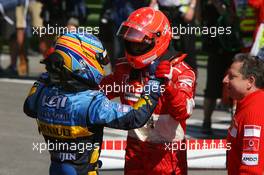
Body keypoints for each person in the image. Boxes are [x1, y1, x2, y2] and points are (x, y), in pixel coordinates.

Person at [23, 32, 169, 175]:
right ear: (81, 60)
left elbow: (29, 107)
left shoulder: (41, 92)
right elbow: (135, 117)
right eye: (99, 60)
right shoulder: (89, 103)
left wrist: (51, 73)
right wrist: (156, 83)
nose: (101, 66)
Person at [101, 7, 196, 174]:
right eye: (130, 42)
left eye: (139, 44)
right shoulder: (124, 69)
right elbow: (97, 92)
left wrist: (168, 87)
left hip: (168, 156)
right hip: (135, 155)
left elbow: (183, 112)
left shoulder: (181, 72)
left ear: (158, 39)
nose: (133, 47)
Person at [201, 0, 241, 134]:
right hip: (215, 49)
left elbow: (231, 20)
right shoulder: (207, 5)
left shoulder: (232, 4)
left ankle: (234, 124)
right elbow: (199, 19)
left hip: (233, 49)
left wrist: (223, 9)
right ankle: (206, 122)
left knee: (236, 87)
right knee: (211, 89)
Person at [224, 53, 264, 175]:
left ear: (250, 81)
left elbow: (251, 170)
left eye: (231, 76)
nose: (225, 80)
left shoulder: (253, 113)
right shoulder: (247, 104)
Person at [149, 0, 197, 71]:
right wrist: (152, 3)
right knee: (163, 47)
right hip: (163, 10)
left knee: (187, 50)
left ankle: (189, 76)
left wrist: (192, 7)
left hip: (184, 12)